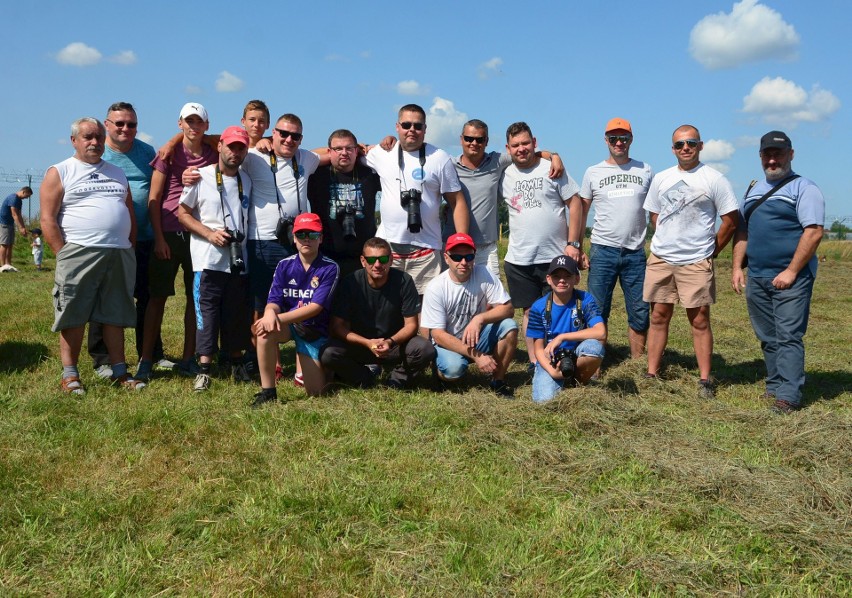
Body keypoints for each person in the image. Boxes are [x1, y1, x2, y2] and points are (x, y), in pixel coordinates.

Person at [39, 117, 145, 394]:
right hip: (78, 253)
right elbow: (48, 219)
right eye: (88, 137)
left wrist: (128, 245)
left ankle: (120, 372)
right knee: (73, 314)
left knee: (114, 314)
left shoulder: (117, 172)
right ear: (74, 140)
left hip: (119, 253)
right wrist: (63, 254)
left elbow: (129, 214)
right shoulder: (60, 171)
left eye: (98, 136)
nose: (95, 142)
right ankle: (70, 375)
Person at [732, 131, 825, 414]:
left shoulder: (804, 188)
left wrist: (792, 271)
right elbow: (743, 230)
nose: (773, 160)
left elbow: (813, 231)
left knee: (788, 336)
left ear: (791, 155)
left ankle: (789, 395)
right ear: (760, 157)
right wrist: (737, 267)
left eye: (779, 154)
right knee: (768, 336)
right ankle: (774, 386)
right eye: (767, 154)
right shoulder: (752, 190)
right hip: (758, 275)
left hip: (791, 278)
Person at [643, 124, 738, 398]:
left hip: (696, 262)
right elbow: (655, 215)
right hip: (661, 259)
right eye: (679, 144)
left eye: (691, 143)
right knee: (659, 316)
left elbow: (730, 222)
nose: (685, 148)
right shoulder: (661, 178)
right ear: (672, 148)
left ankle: (705, 379)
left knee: (699, 320)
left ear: (700, 146)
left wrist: (711, 252)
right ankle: (651, 372)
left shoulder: (714, 180)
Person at [87, 102, 170, 379]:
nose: (125, 129)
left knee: (147, 298)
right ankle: (103, 359)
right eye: (119, 123)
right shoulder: (97, 152)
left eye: (131, 124)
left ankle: (151, 354)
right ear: (106, 124)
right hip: (109, 241)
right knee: (105, 298)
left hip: (146, 237)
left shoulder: (147, 152)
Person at [138, 103, 216, 381]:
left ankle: (188, 358)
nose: (193, 126)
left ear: (206, 126)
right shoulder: (167, 156)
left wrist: (202, 139)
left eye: (199, 122)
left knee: (195, 300)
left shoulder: (213, 152)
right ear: (179, 122)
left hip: (199, 234)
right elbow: (154, 199)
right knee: (156, 298)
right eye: (188, 121)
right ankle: (146, 359)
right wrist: (158, 237)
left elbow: (232, 138)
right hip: (169, 233)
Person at [500, 121, 583, 373]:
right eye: (515, 145)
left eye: (526, 143)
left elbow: (576, 203)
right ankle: (535, 362)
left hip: (554, 255)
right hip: (520, 257)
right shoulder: (504, 172)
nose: (521, 149)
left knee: (560, 307)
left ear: (535, 143)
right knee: (530, 312)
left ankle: (562, 354)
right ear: (508, 148)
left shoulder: (552, 168)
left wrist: (574, 244)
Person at [177, 126, 254, 391]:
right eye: (230, 146)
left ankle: (235, 363)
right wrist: (210, 234)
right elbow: (183, 213)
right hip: (207, 260)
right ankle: (204, 369)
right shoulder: (201, 176)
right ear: (219, 146)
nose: (235, 152)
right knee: (207, 315)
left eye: (241, 147)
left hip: (237, 260)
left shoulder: (247, 179)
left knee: (235, 314)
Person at [366, 103, 468, 295]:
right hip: (388, 247)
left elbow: (457, 201)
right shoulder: (381, 153)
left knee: (425, 309)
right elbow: (341, 151)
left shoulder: (439, 158)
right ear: (397, 127)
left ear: (425, 129)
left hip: (426, 250)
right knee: (389, 305)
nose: (411, 130)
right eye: (406, 125)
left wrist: (461, 241)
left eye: (417, 126)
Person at [447, 119, 565, 276]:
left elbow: (526, 153)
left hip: (486, 248)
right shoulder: (448, 166)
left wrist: (553, 156)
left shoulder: (497, 161)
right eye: (469, 138)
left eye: (480, 139)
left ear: (486, 141)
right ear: (461, 139)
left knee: (490, 298)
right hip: (454, 245)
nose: (474, 143)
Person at [579, 117, 652, 360]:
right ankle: (594, 362)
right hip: (602, 250)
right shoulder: (593, 172)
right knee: (597, 310)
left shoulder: (645, 170)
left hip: (635, 253)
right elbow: (582, 211)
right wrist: (577, 246)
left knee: (640, 311)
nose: (618, 142)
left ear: (631, 139)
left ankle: (637, 363)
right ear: (605, 140)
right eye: (613, 138)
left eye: (623, 138)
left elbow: (655, 211)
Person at [321, 237, 436, 388]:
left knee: (425, 349)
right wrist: (367, 343)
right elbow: (337, 327)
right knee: (328, 353)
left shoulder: (404, 281)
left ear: (391, 259)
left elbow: (411, 325)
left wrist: (390, 341)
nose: (377, 264)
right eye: (371, 260)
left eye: (382, 259)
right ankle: (363, 377)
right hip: (361, 345)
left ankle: (396, 380)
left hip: (394, 345)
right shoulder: (350, 282)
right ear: (363, 261)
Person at [252, 213, 339, 407]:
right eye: (301, 234)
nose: (306, 239)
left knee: (316, 393)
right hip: (290, 326)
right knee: (264, 331)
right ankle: (268, 391)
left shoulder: (330, 267)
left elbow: (315, 308)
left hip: (314, 332)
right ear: (294, 237)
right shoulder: (284, 265)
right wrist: (269, 314)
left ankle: (318, 367)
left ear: (321, 238)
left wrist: (278, 318)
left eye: (313, 234)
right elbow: (274, 300)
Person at [420, 233, 518, 397]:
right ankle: (439, 371)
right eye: (457, 257)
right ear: (446, 258)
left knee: (509, 326)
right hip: (447, 343)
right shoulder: (436, 287)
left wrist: (479, 319)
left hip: (476, 337)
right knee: (454, 370)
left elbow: (508, 309)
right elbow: (437, 335)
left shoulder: (483, 273)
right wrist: (478, 356)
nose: (463, 262)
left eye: (468, 256)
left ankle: (498, 381)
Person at [527, 255, 607, 403]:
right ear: (549, 279)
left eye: (567, 276)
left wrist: (562, 337)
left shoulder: (585, 299)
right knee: (544, 401)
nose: (562, 280)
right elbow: (538, 348)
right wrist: (552, 372)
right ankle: (560, 378)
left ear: (576, 279)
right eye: (557, 276)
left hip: (576, 354)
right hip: (550, 359)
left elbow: (600, 332)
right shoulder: (538, 307)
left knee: (594, 348)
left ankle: (577, 381)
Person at [308, 129, 380, 278]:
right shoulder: (315, 174)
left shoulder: (370, 173)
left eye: (349, 148)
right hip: (326, 256)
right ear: (329, 151)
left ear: (356, 151)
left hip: (363, 258)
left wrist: (369, 147)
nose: (344, 153)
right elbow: (300, 154)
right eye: (338, 148)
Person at [0, 186, 31, 272]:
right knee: (4, 244)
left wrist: (23, 227)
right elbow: (14, 214)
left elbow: (19, 214)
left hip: (10, 223)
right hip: (4, 224)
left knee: (10, 244)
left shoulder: (19, 201)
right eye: (27, 196)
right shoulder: (13, 198)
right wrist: (20, 228)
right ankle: (2, 266)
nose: (27, 198)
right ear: (24, 192)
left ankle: (8, 265)